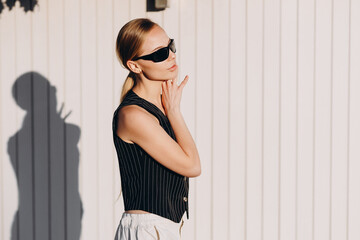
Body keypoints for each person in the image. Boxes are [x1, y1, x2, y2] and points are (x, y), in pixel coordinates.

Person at [113, 18, 201, 240]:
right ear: (134, 65)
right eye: (159, 53)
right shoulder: (133, 115)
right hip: (148, 230)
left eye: (170, 46)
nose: (171, 56)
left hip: (163, 229)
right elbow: (191, 165)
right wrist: (174, 113)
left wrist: (170, 110)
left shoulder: (159, 107)